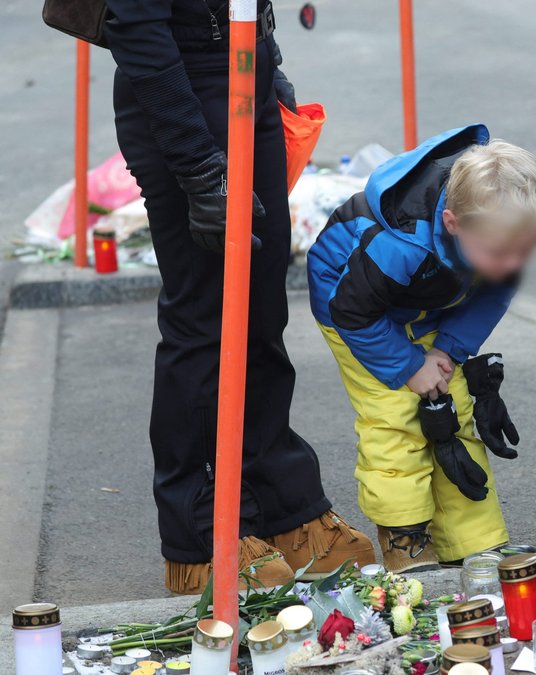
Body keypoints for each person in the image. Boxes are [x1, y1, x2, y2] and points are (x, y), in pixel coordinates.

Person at [107, 0, 374, 593]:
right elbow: (136, 22)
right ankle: (198, 537)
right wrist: (200, 167)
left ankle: (288, 514)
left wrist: (270, 65)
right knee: (203, 323)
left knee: (260, 318)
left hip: (246, 72)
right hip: (182, 92)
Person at [307, 125, 536, 572]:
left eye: (523, 252)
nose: (513, 266)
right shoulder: (399, 244)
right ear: (452, 223)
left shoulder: (499, 242)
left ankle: (473, 541)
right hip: (359, 314)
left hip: (428, 303)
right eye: (501, 254)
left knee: (453, 409)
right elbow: (353, 312)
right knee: (397, 417)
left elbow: (493, 293)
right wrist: (406, 366)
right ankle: (406, 538)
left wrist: (448, 350)